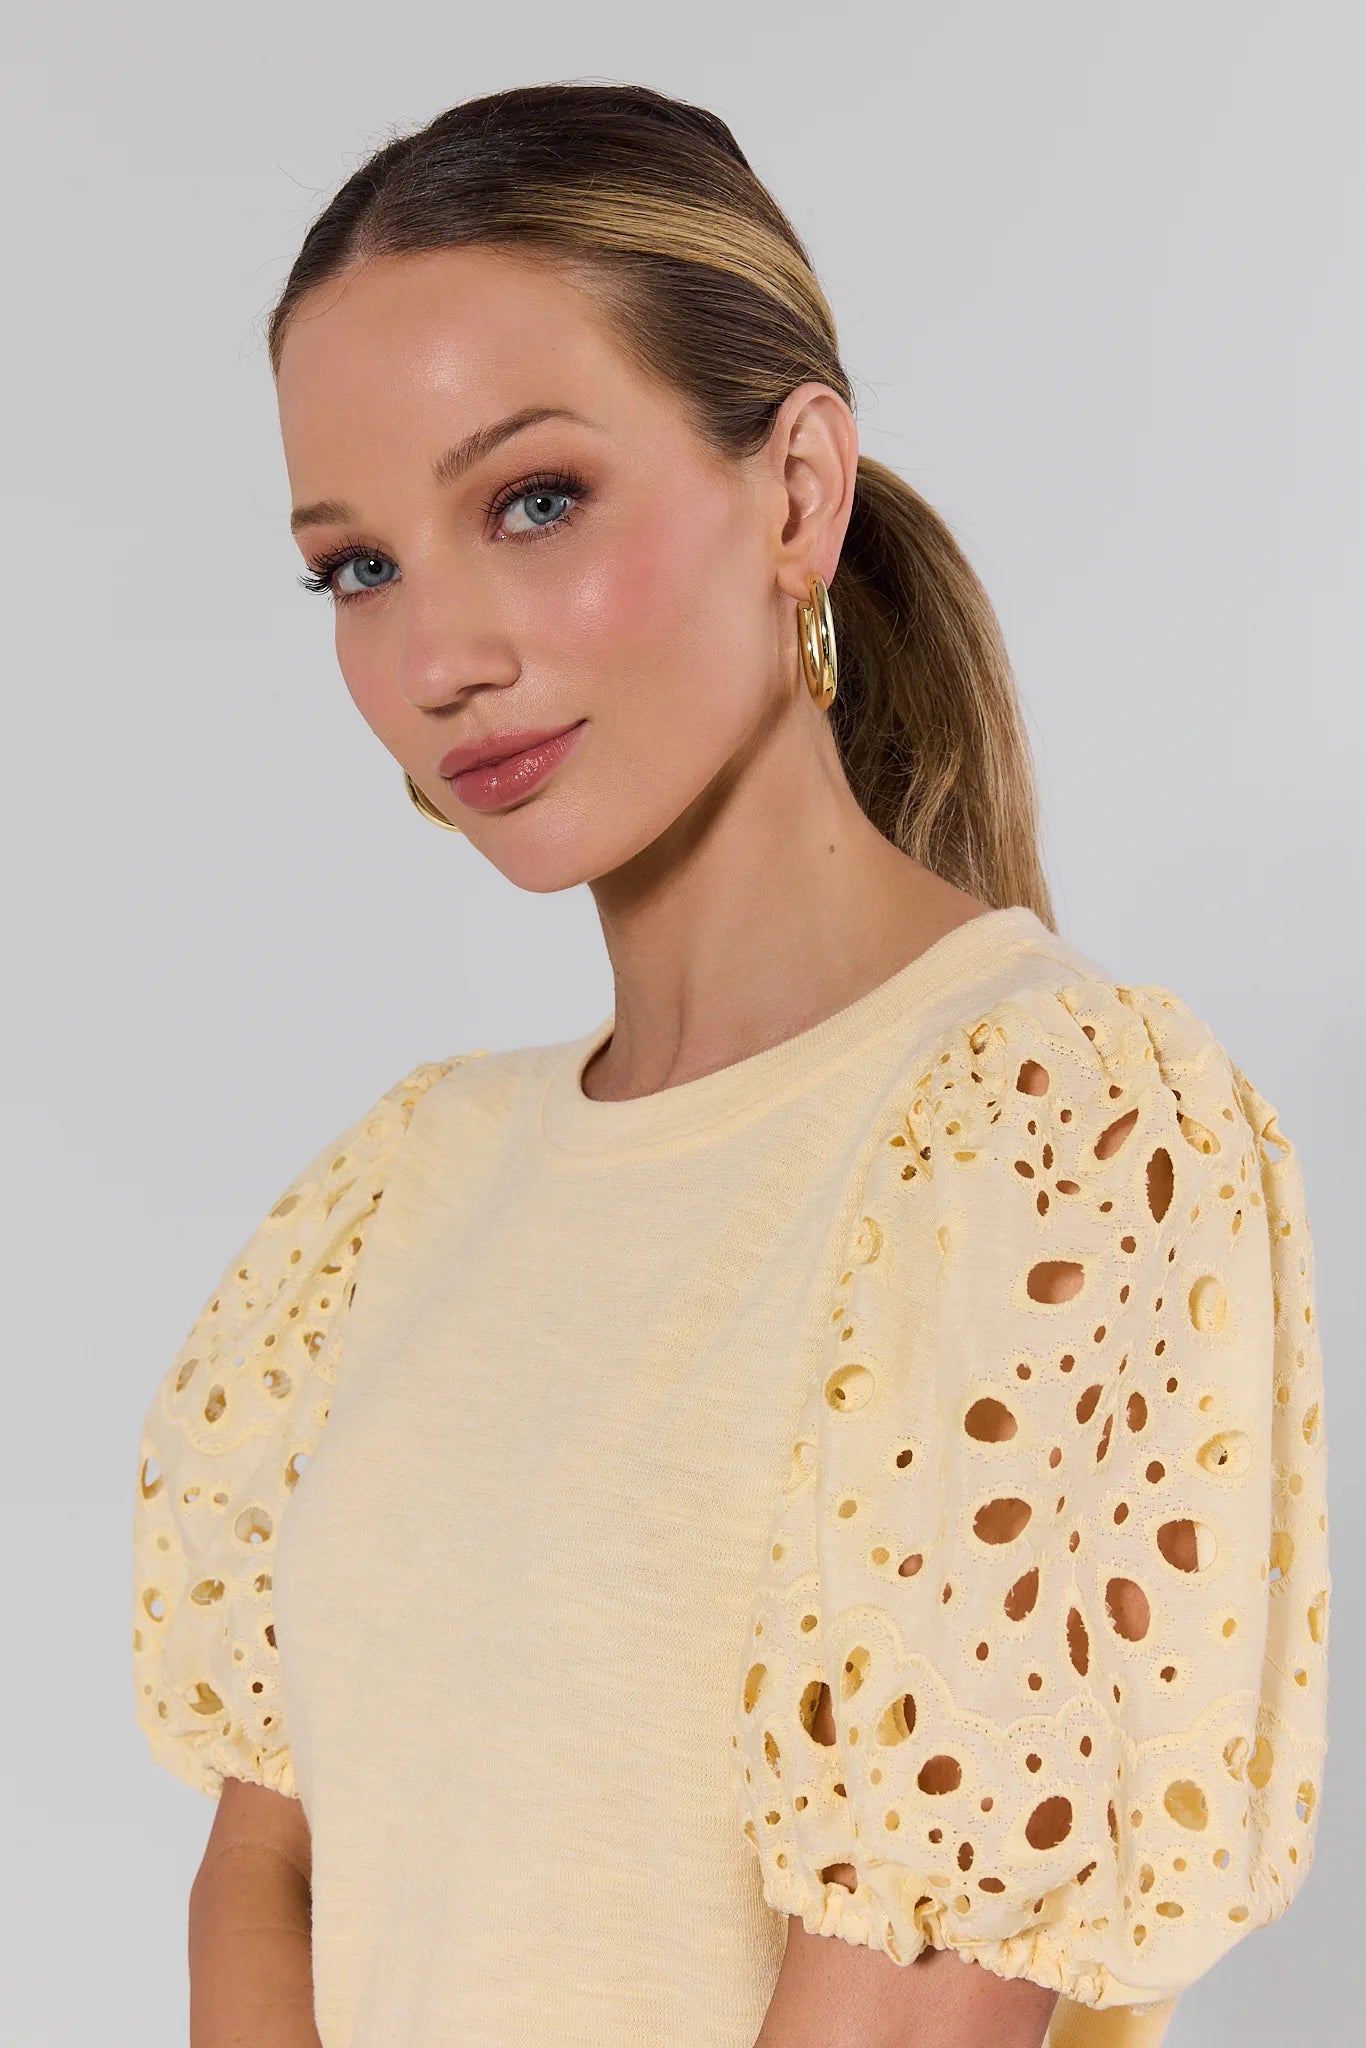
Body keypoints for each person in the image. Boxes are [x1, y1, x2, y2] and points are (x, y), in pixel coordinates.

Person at [129, 80, 1327, 2048]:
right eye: (356, 566)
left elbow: (926, 1972)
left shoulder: (1050, 1127)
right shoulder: (396, 1190)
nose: (438, 653)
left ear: (792, 494)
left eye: (531, 501)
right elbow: (264, 1869)